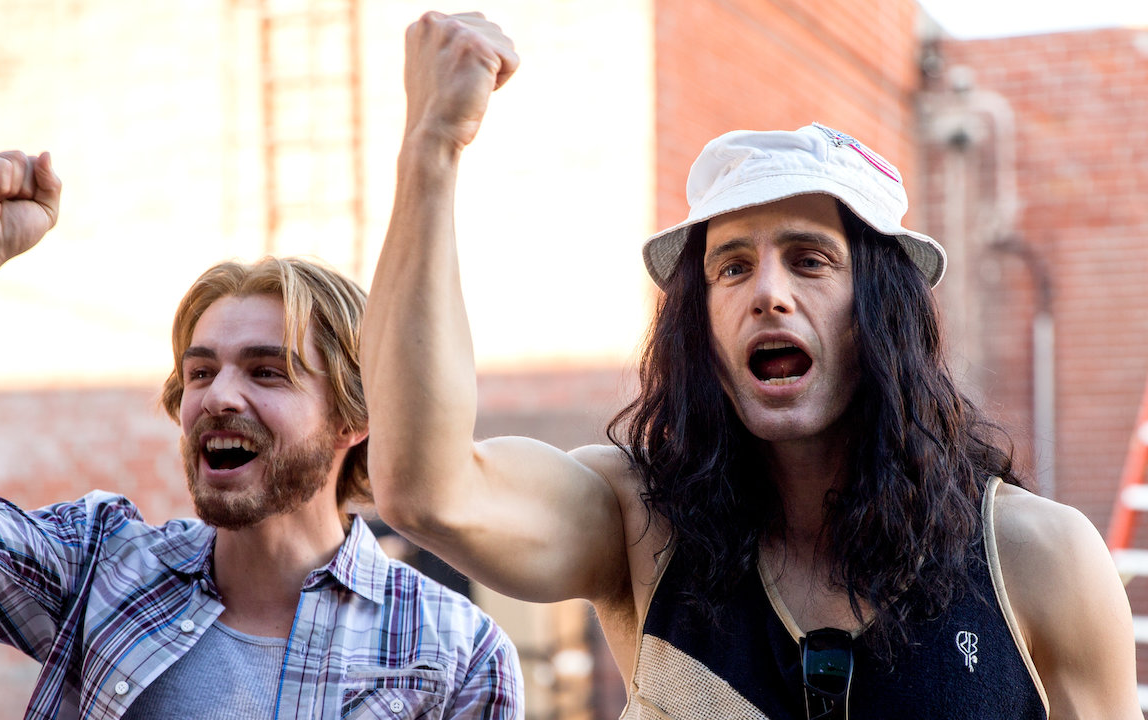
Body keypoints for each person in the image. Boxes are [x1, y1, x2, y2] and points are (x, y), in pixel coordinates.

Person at [361, 11, 1140, 719]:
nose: (767, 293)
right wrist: (431, 147)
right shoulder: (637, 523)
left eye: (809, 259)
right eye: (732, 267)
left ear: (883, 312)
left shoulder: (1039, 558)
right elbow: (429, 492)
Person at [0, 150, 523, 719]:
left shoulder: (454, 653)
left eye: (267, 372)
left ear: (355, 418)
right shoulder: (104, 569)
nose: (218, 396)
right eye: (201, 372)